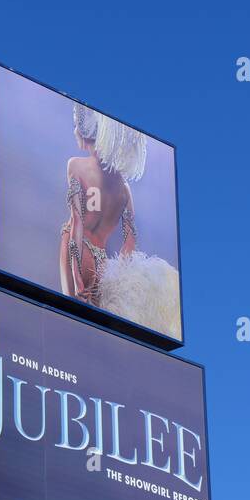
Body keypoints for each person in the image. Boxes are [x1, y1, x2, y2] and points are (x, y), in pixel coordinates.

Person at [59, 102, 182, 341]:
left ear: (84, 130)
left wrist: (76, 275)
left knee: (69, 324)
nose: (75, 131)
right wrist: (119, 278)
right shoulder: (124, 188)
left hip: (77, 248)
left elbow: (77, 223)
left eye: (76, 125)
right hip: (102, 263)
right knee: (93, 333)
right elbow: (130, 243)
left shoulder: (76, 166)